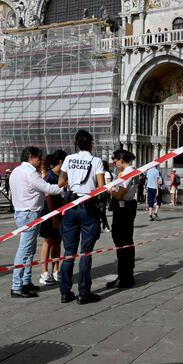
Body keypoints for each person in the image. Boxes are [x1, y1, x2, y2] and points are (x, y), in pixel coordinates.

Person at [9, 146, 64, 298]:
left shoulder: (16, 171)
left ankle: (26, 281)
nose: (40, 162)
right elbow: (47, 188)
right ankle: (17, 286)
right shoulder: (30, 172)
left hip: (22, 212)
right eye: (39, 158)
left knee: (30, 250)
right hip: (29, 213)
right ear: (31, 157)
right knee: (25, 250)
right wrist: (64, 187)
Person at [58, 130, 105, 304]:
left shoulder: (69, 159)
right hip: (88, 207)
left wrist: (74, 181)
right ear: (91, 143)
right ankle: (84, 292)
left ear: (76, 143)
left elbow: (60, 183)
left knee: (69, 252)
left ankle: (65, 292)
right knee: (86, 252)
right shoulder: (96, 161)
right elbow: (101, 187)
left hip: (70, 207)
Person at [106, 149, 138, 289]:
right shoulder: (132, 171)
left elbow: (120, 194)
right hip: (128, 206)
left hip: (124, 208)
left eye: (115, 160)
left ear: (121, 159)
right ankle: (124, 275)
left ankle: (125, 277)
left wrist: (110, 189)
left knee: (122, 241)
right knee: (125, 241)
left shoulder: (128, 172)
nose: (114, 163)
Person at [39, 150, 67, 286]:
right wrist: (53, 216)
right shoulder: (49, 177)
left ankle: (56, 269)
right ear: (61, 161)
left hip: (61, 212)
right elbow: (48, 197)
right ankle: (44, 272)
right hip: (50, 212)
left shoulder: (61, 176)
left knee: (57, 241)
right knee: (48, 241)